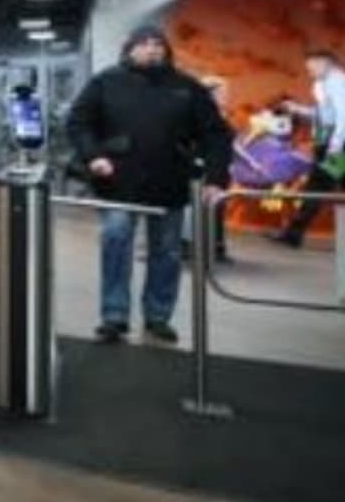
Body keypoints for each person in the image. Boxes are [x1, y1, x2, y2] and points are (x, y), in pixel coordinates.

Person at [66, 25, 232, 345]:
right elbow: (78, 122)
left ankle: (157, 317)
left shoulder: (187, 87)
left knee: (167, 251)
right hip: (118, 182)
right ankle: (114, 317)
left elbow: (216, 134)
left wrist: (216, 177)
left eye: (158, 44)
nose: (152, 49)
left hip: (169, 182)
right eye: (143, 44)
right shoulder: (105, 82)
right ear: (130, 49)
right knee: (116, 242)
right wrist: (93, 156)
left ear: (166, 50)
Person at [269, 48, 345, 246]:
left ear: (324, 63)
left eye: (311, 66)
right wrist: (297, 109)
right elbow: (323, 115)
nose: (308, 70)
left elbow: (342, 116)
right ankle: (293, 233)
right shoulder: (327, 84)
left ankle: (293, 234)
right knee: (317, 186)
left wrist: (335, 146)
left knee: (317, 186)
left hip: (335, 145)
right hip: (332, 143)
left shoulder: (336, 83)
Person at [181, 76, 234, 263]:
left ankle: (215, 246)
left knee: (215, 207)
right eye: (222, 93)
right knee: (199, 207)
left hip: (219, 169)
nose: (226, 97)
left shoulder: (221, 115)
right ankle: (193, 245)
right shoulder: (201, 117)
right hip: (204, 168)